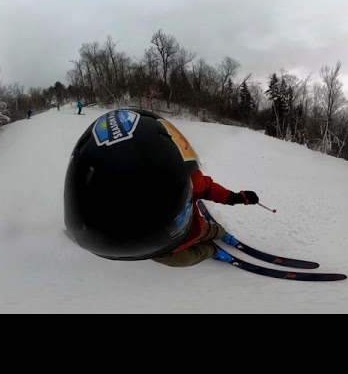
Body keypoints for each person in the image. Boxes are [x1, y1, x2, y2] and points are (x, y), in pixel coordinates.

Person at [64, 108, 260, 268]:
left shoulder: (179, 176)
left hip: (188, 229)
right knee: (184, 259)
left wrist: (236, 197)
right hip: (165, 249)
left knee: (204, 231)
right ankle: (212, 250)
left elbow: (208, 188)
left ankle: (219, 233)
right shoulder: (122, 221)